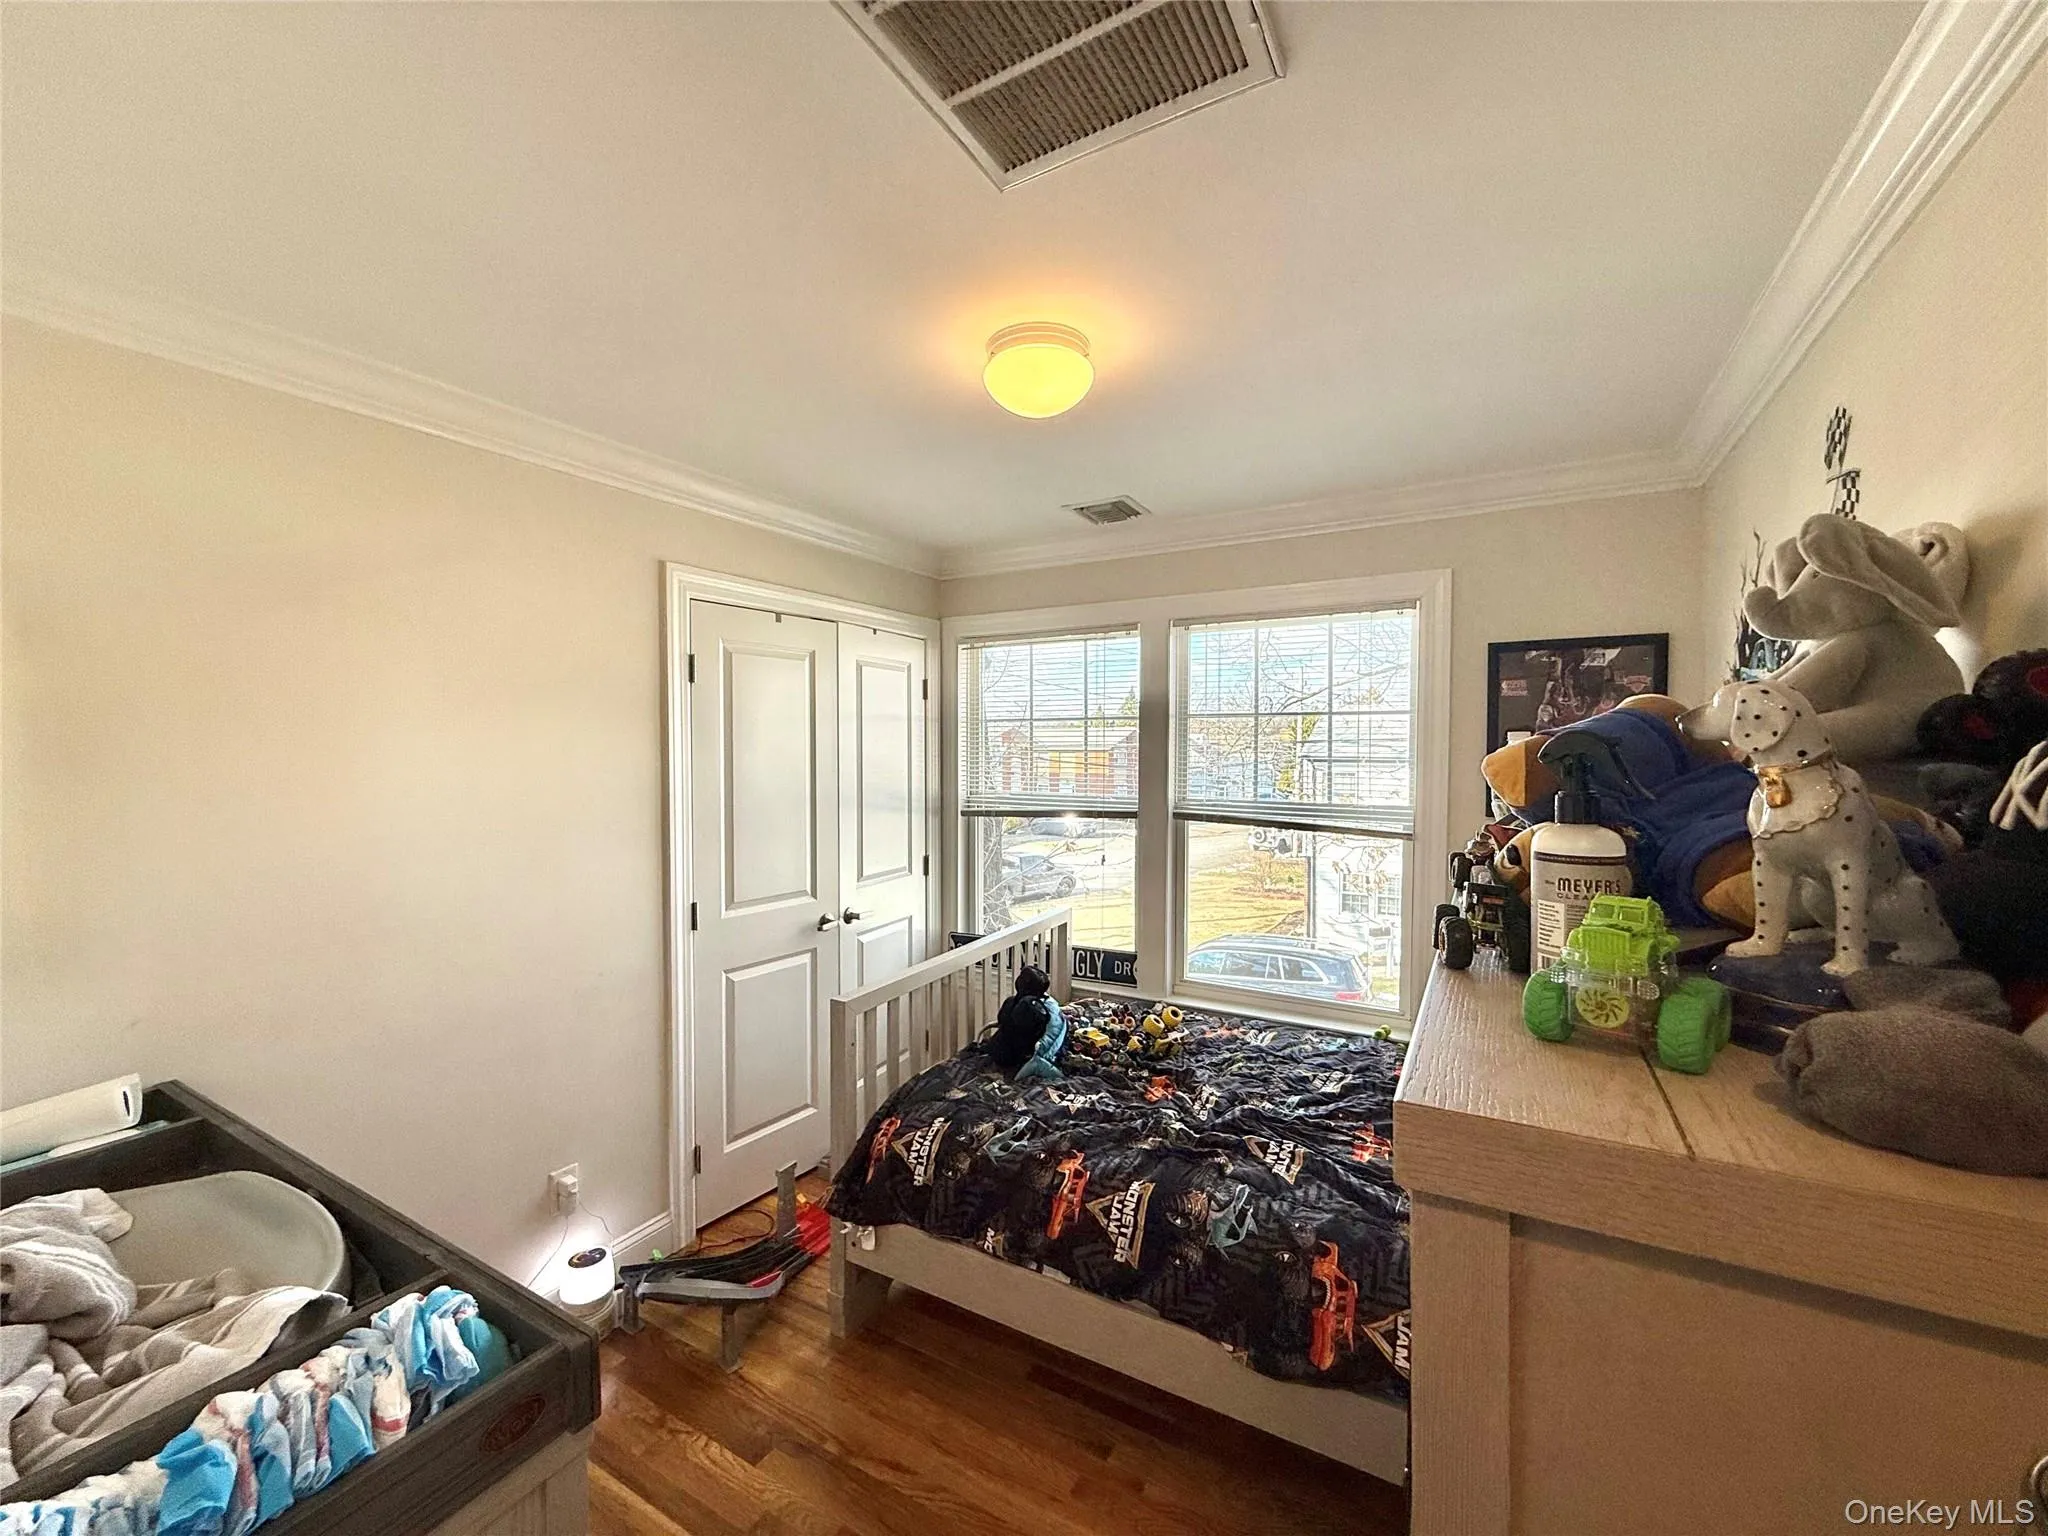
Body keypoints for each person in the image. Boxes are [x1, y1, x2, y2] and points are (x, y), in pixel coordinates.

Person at [987, 965, 1066, 1083]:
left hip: (1001, 1051)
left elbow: (1002, 1021)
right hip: (1016, 1056)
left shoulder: (1011, 1002)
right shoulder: (1035, 1007)